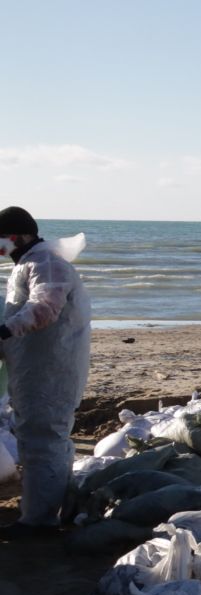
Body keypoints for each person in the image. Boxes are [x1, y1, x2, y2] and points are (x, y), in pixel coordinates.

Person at [0, 207, 91, 530]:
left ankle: (38, 521)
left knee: (43, 442)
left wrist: (5, 331)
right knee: (44, 440)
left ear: (20, 237)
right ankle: (53, 510)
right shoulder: (30, 264)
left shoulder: (46, 264)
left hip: (50, 371)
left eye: (3, 241)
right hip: (36, 370)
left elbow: (44, 307)